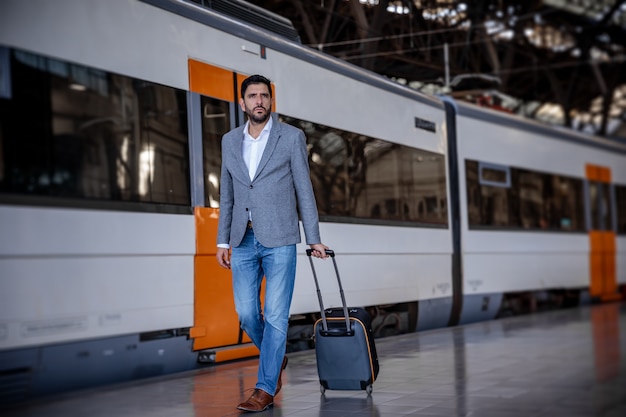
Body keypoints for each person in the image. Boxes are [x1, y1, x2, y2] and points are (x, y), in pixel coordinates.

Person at [216, 74, 328, 412]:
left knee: (276, 316)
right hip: (242, 239)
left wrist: (314, 239)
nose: (259, 101)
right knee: (247, 313)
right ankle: (274, 356)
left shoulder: (291, 138)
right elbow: (227, 193)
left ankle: (264, 389)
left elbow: (304, 191)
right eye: (252, 96)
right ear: (243, 103)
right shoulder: (229, 141)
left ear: (270, 101)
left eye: (264, 95)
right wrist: (222, 240)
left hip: (280, 238)